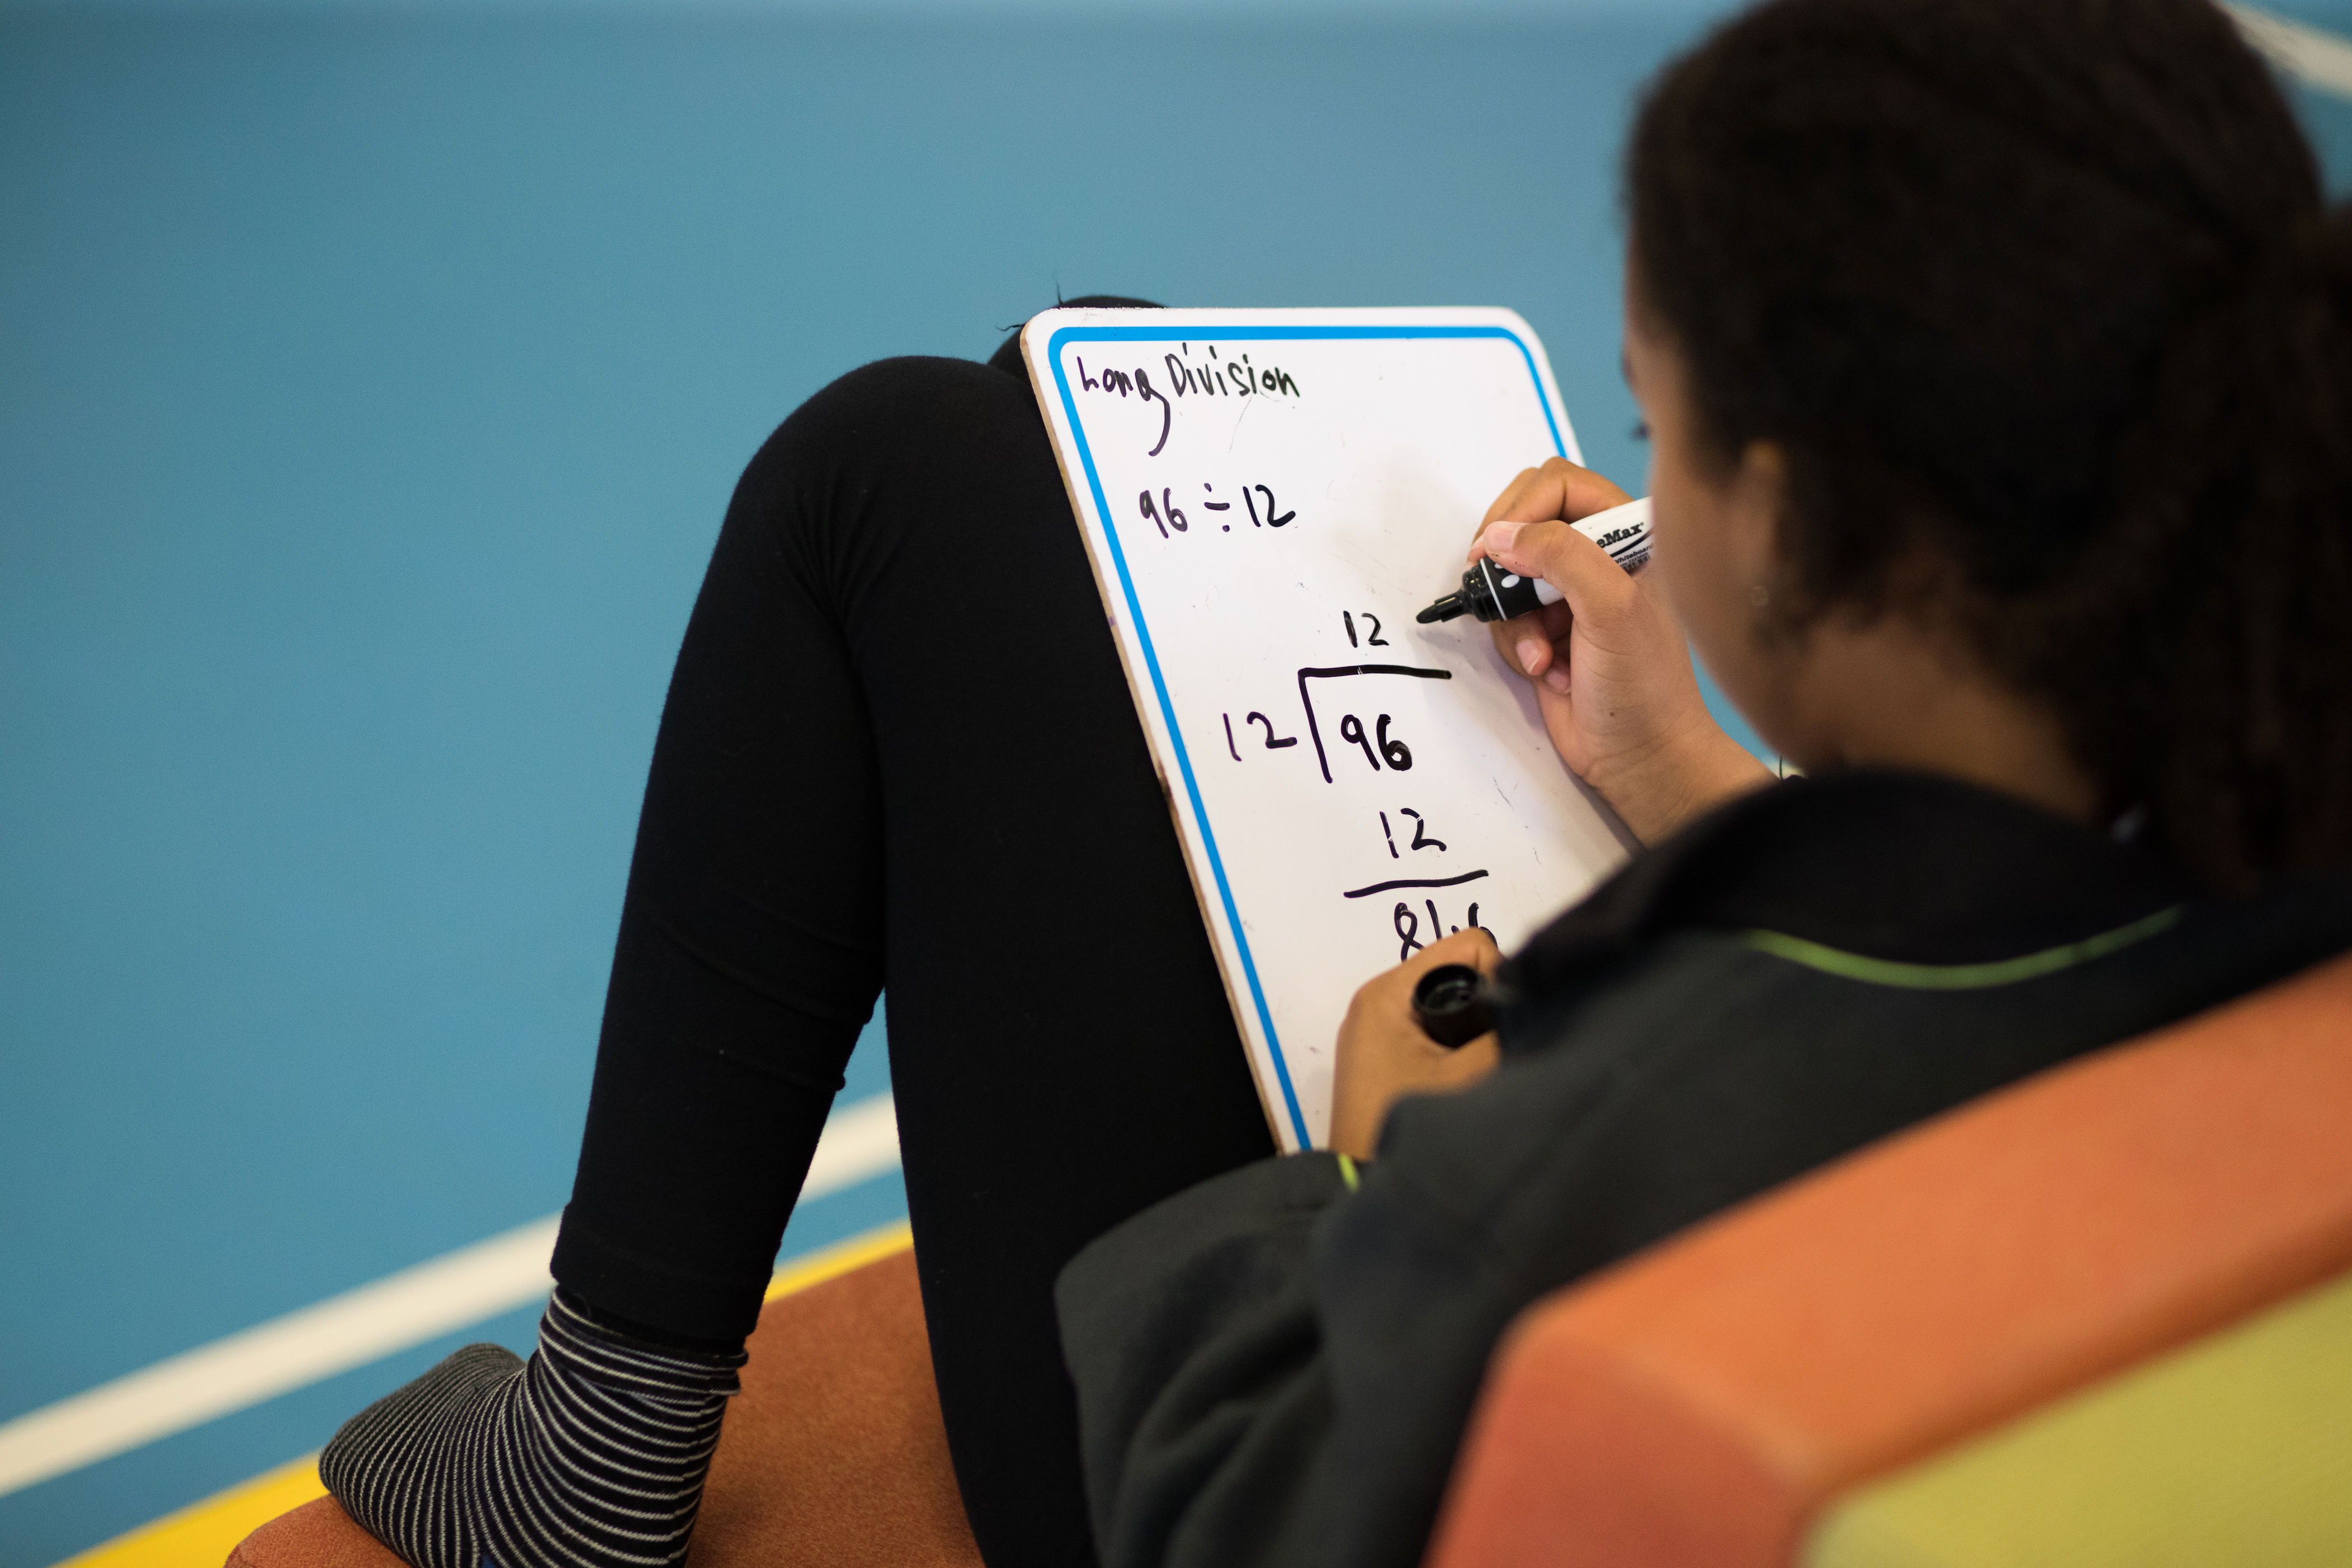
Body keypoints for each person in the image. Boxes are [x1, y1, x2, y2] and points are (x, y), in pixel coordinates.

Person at [317, 1, 2352, 1565]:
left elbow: (1268, 1487)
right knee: (1080, 436)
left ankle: (592, 1459)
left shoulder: (1582, 1155)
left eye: (1663, 425)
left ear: (1800, 514)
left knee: (887, 475)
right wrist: (1691, 778)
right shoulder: (2286, 854)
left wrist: (1387, 1181)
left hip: (1231, 1431)